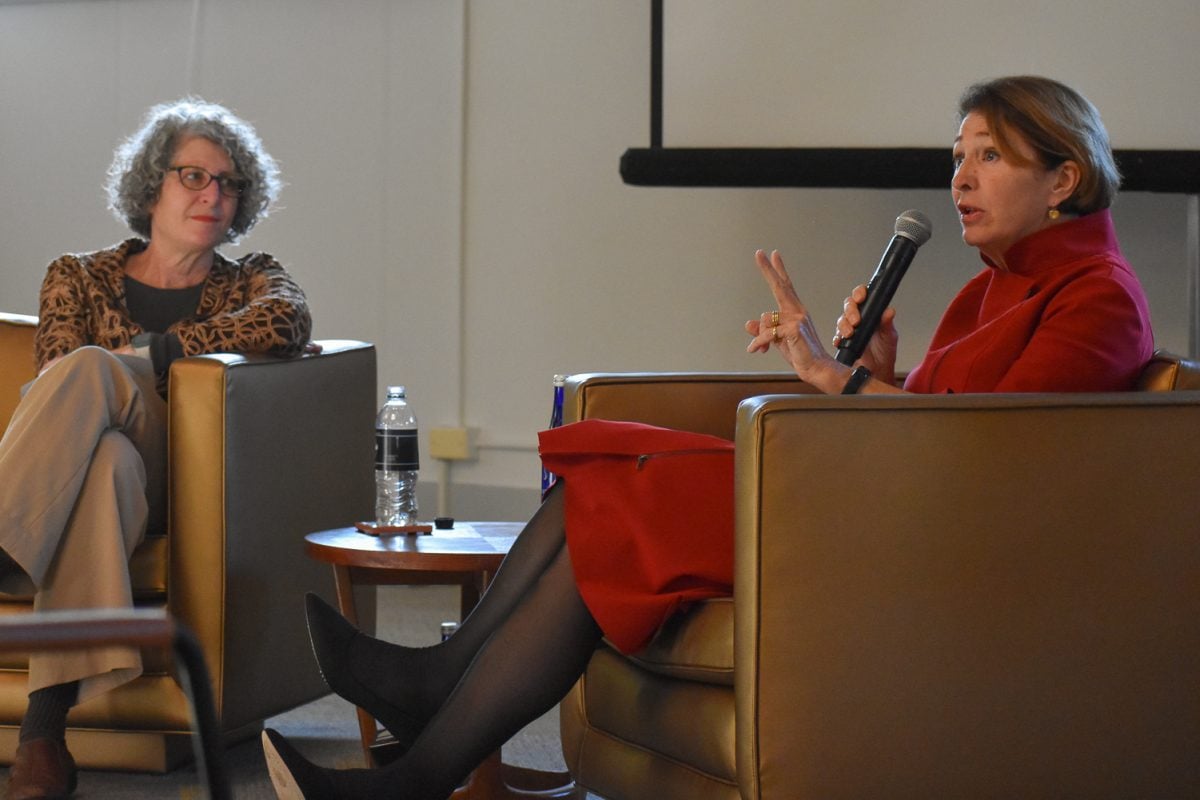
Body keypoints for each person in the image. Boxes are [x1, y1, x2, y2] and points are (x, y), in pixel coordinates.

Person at [261, 75, 1154, 799]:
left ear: (1064, 177)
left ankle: (423, 742)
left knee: (627, 478)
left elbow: (998, 458)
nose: (958, 178)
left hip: (918, 547)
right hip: (876, 503)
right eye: (958, 156)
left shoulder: (1097, 296)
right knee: (604, 456)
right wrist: (877, 372)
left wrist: (838, 381)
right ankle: (429, 721)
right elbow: (926, 424)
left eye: (989, 157)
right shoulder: (991, 283)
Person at [0, 98, 311, 799]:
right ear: (151, 186)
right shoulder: (76, 276)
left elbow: (288, 320)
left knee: (93, 368)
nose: (213, 194)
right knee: (105, 460)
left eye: (228, 183)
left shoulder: (249, 277)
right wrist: (137, 363)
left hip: (187, 475)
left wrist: (159, 353)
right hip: (110, 468)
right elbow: (54, 374)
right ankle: (43, 739)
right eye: (193, 177)